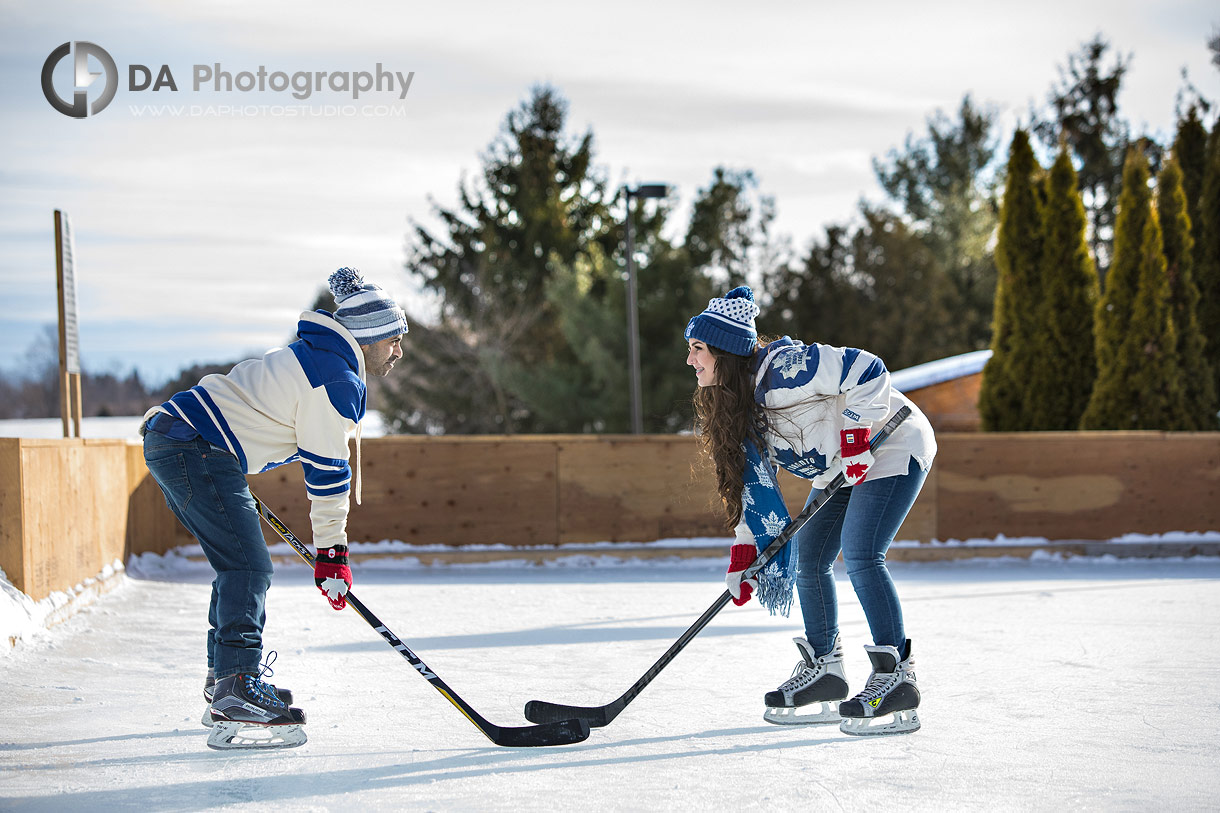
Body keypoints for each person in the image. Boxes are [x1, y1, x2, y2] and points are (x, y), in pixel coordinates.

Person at [140, 267, 407, 750]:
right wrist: (333, 553)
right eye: (393, 339)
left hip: (187, 442)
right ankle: (236, 685)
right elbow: (327, 474)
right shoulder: (335, 380)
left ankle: (225, 677)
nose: (398, 351)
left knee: (236, 564)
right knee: (247, 564)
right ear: (367, 338)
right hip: (193, 446)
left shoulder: (322, 359)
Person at [684, 285, 936, 736]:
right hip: (841, 465)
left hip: (892, 440)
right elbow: (748, 485)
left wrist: (857, 435)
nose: (690, 361)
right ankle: (826, 670)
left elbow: (869, 369)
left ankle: (897, 675)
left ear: (724, 349)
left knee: (861, 554)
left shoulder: (788, 370)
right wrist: (745, 554)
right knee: (810, 557)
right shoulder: (735, 406)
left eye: (698, 349)